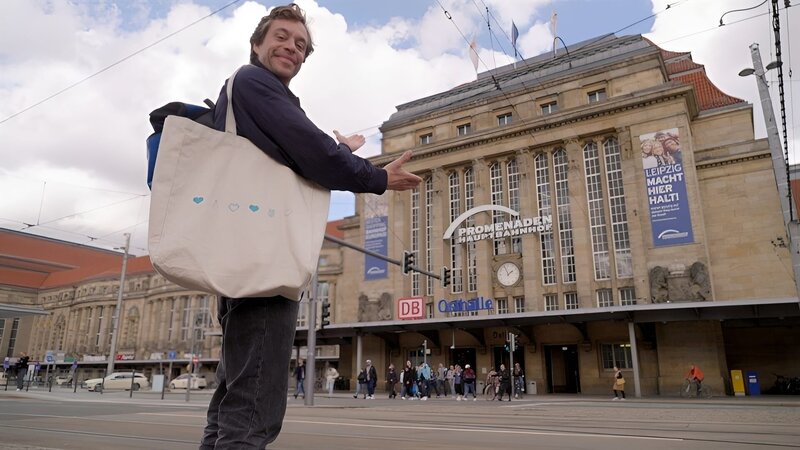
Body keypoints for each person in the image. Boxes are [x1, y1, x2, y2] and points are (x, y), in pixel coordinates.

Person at [199, 4, 421, 449]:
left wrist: (340, 150)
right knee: (253, 411)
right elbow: (310, 150)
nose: (291, 48)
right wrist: (376, 177)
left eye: (300, 45)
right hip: (264, 263)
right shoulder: (253, 80)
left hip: (246, 258)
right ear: (257, 43)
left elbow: (301, 152)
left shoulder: (259, 95)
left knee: (233, 400)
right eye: (281, 37)